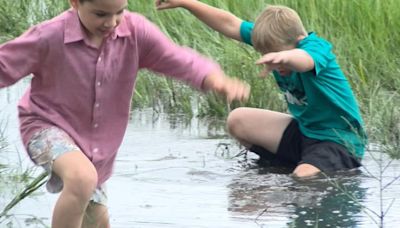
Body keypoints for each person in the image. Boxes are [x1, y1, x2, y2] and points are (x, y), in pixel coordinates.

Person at [0, 0, 250, 227]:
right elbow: (5, 64)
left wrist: (214, 79)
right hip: (45, 126)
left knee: (97, 220)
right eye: (100, 14)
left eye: (119, 12)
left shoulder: (135, 33)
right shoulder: (50, 35)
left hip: (95, 148)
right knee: (81, 178)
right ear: (75, 2)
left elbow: (177, 58)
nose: (111, 22)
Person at [156, 0, 367, 177]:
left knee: (302, 179)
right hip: (304, 132)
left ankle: (313, 169)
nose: (276, 66)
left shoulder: (314, 47)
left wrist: (285, 58)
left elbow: (306, 60)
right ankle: (279, 168)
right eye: (267, 55)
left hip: (338, 139)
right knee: (237, 120)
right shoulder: (273, 40)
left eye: (277, 57)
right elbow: (230, 24)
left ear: (298, 41)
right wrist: (186, 2)